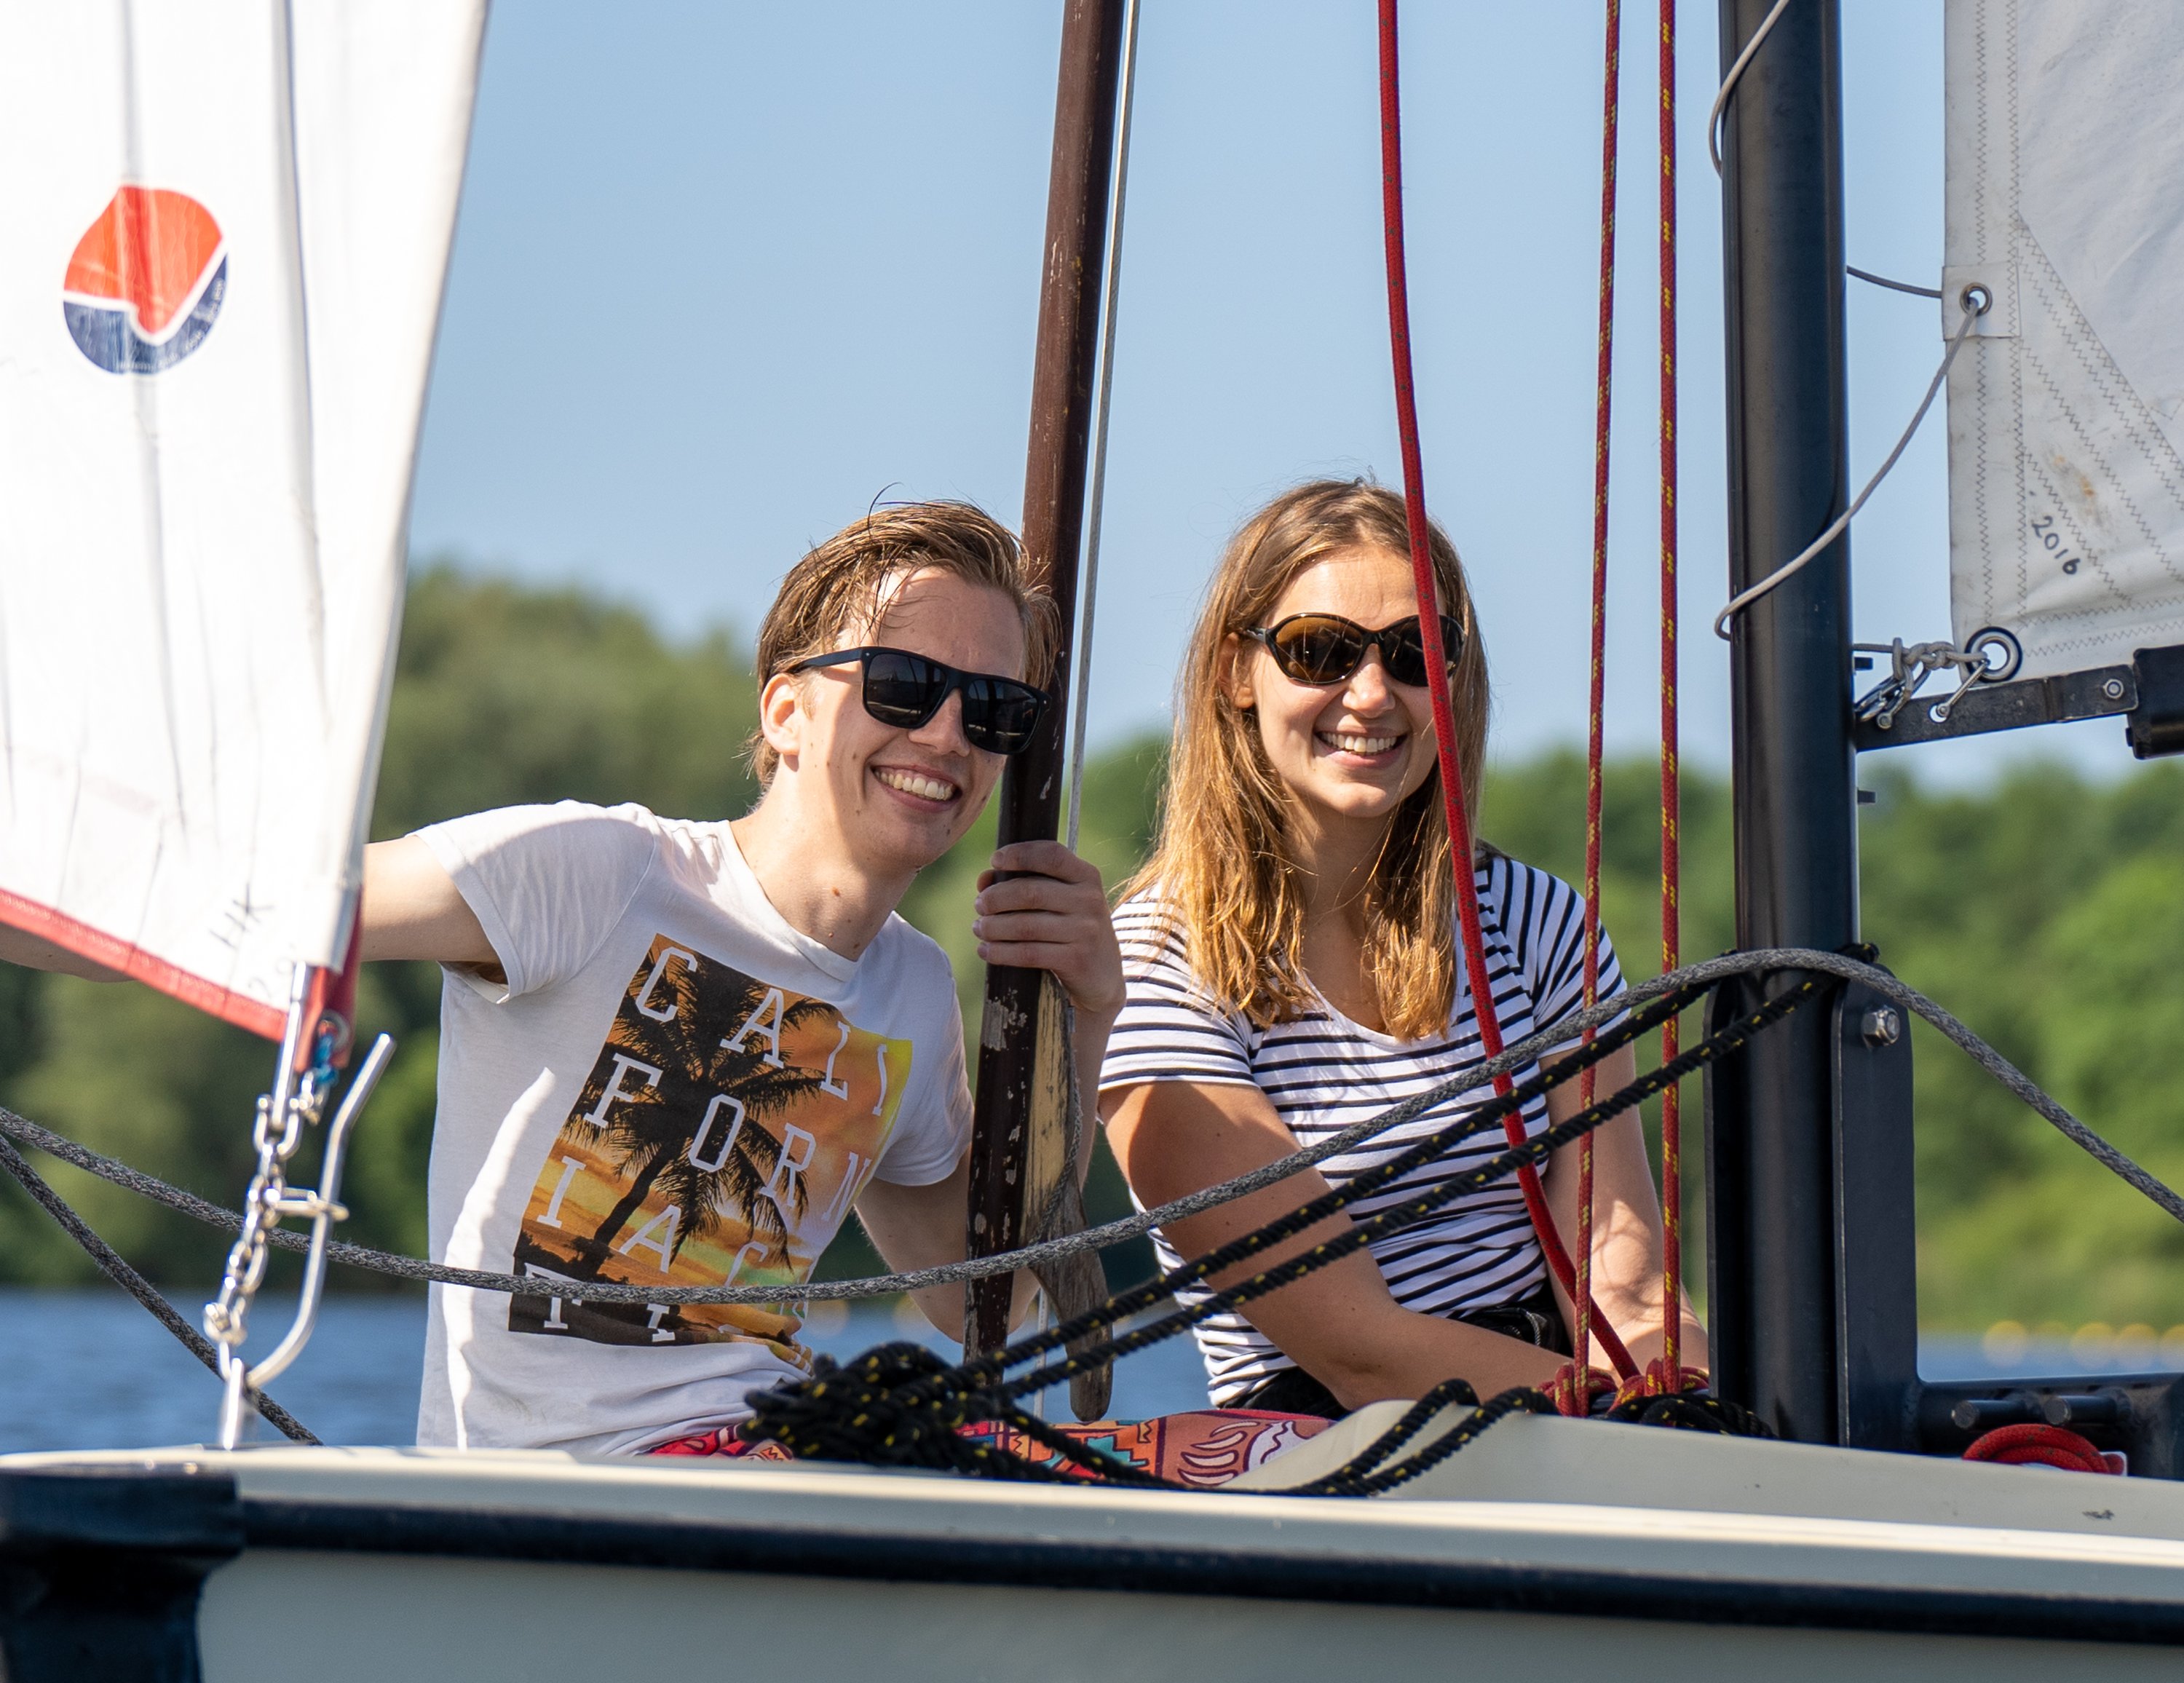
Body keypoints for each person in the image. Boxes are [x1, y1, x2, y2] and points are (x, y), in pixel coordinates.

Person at [4, 500, 1125, 1455]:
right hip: (556, 1499)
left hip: (768, 1478)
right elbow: (246, 904)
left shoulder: (915, 993)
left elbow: (975, 1298)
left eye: (996, 711)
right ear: (786, 712)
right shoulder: (596, 874)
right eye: (904, 684)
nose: (949, 735)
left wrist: (1085, 1014)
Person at [1098, 480, 1703, 1419]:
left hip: (1572, 1425)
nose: (1373, 693)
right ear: (1235, 674)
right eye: (1321, 651)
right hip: (1340, 1442)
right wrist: (1612, 1418)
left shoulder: (1538, 924)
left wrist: (1680, 1397)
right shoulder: (1154, 966)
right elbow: (1359, 1351)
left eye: (1418, 652)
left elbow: (1625, 1285)